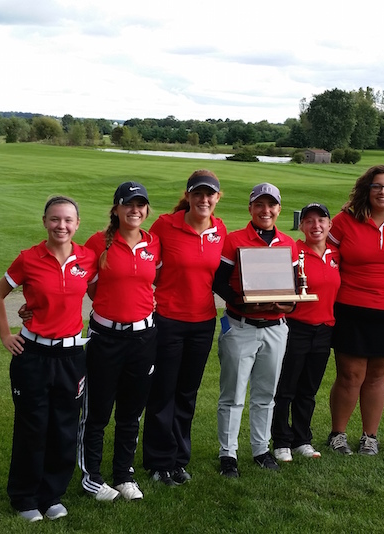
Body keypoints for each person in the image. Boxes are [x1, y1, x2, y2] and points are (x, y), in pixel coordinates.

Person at [0, 195, 95, 522]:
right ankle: (24, 497)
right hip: (33, 354)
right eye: (54, 219)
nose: (61, 225)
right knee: (32, 427)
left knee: (64, 428)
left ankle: (51, 495)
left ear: (77, 224)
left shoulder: (88, 258)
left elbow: (100, 291)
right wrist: (6, 334)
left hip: (71, 355)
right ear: (45, 221)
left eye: (67, 220)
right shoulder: (29, 259)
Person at [326, 164, 384, 456]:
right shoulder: (343, 222)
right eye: (377, 186)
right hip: (351, 307)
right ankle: (338, 434)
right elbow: (326, 261)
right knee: (350, 375)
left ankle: (370, 436)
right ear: (366, 190)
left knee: (377, 376)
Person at [142, 170, 227, 486]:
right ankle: (158, 462)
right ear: (188, 196)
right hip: (167, 320)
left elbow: (221, 277)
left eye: (210, 195)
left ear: (217, 198)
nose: (204, 200)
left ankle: (178, 459)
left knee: (187, 394)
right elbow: (144, 262)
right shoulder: (166, 225)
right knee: (163, 393)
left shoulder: (220, 230)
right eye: (198, 194)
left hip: (203, 323)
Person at [78, 181, 161, 500]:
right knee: (97, 411)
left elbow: (156, 282)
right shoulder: (98, 242)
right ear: (116, 209)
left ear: (146, 209)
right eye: (128, 204)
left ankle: (124, 474)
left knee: (131, 411)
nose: (135, 210)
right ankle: (92, 477)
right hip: (105, 337)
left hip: (143, 337)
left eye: (140, 204)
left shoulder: (153, 244)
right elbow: (80, 284)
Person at [213, 182, 297, 477]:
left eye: (271, 205)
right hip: (241, 326)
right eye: (259, 205)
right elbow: (220, 282)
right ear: (250, 208)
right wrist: (243, 303)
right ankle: (228, 453)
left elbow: (296, 288)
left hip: (276, 328)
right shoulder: (234, 239)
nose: (265, 210)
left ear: (279, 209)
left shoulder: (289, 243)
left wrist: (289, 304)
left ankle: (261, 449)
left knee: (266, 393)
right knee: (233, 394)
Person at [270, 203, 340, 463]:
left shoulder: (336, 255)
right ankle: (281, 440)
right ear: (302, 226)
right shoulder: (292, 251)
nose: (316, 226)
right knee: (286, 388)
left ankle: (302, 438)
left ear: (329, 225)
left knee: (308, 389)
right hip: (296, 328)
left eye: (321, 220)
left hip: (324, 329)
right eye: (309, 221)